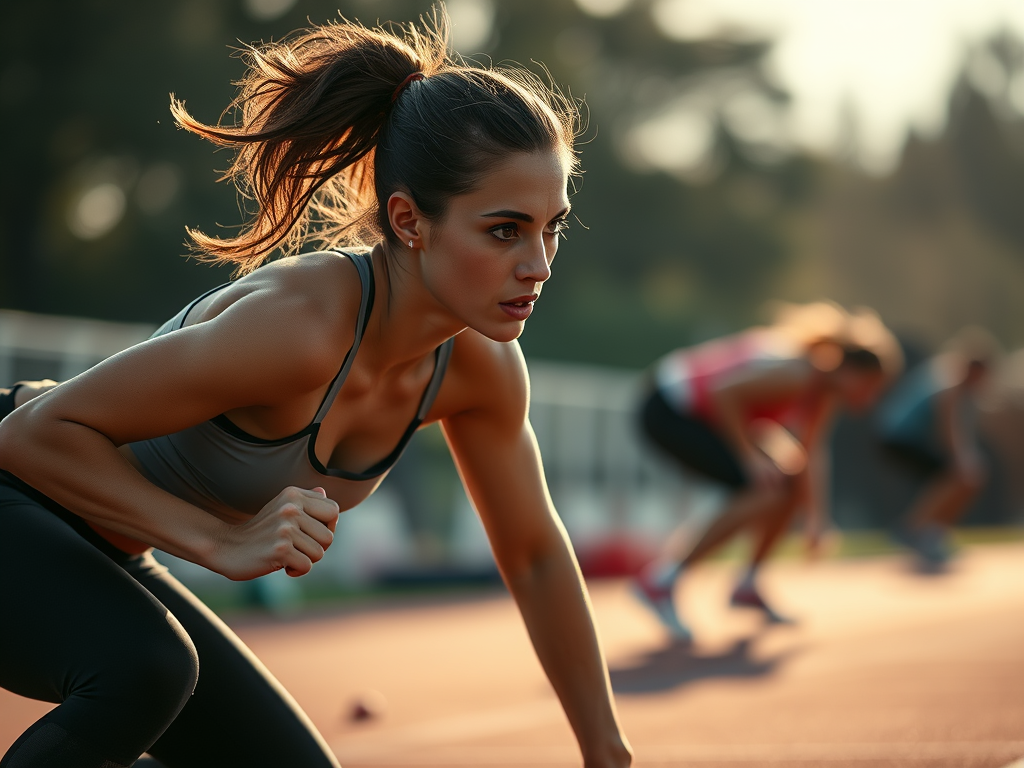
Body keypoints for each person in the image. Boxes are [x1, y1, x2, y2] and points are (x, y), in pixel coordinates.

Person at [0, 11, 632, 768]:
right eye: (505, 230)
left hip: (108, 549)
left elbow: (533, 555)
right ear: (409, 221)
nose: (540, 264)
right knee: (147, 669)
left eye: (552, 226)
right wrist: (222, 541)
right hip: (17, 492)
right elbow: (30, 436)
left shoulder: (481, 369)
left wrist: (606, 750)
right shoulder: (300, 329)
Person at [632, 302, 902, 642]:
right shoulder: (799, 373)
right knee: (765, 489)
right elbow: (724, 394)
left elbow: (809, 453)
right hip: (669, 408)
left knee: (786, 479)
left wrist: (817, 519)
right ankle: (662, 581)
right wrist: (748, 457)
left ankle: (747, 583)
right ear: (850, 371)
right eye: (871, 385)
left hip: (698, 414)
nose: (872, 398)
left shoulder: (823, 392)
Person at [878, 326, 998, 571]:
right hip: (899, 437)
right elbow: (948, 427)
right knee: (958, 477)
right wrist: (962, 460)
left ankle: (928, 534)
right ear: (975, 368)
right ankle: (913, 529)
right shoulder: (951, 381)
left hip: (900, 437)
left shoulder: (951, 375)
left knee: (954, 478)